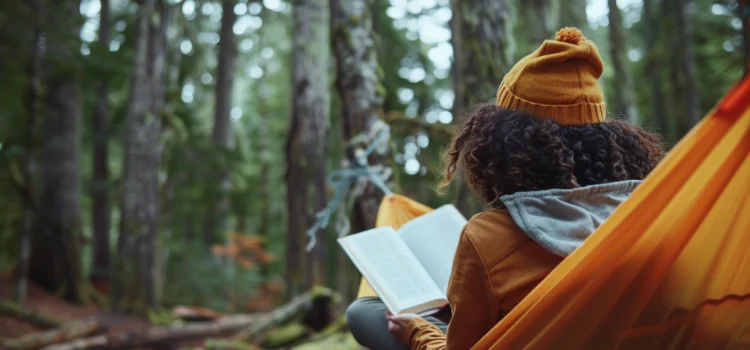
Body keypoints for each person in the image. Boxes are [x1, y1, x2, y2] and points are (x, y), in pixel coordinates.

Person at [345, 27, 666, 350]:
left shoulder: (488, 238)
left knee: (366, 312)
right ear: (610, 140)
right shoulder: (650, 219)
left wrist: (418, 333)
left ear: (502, 141)